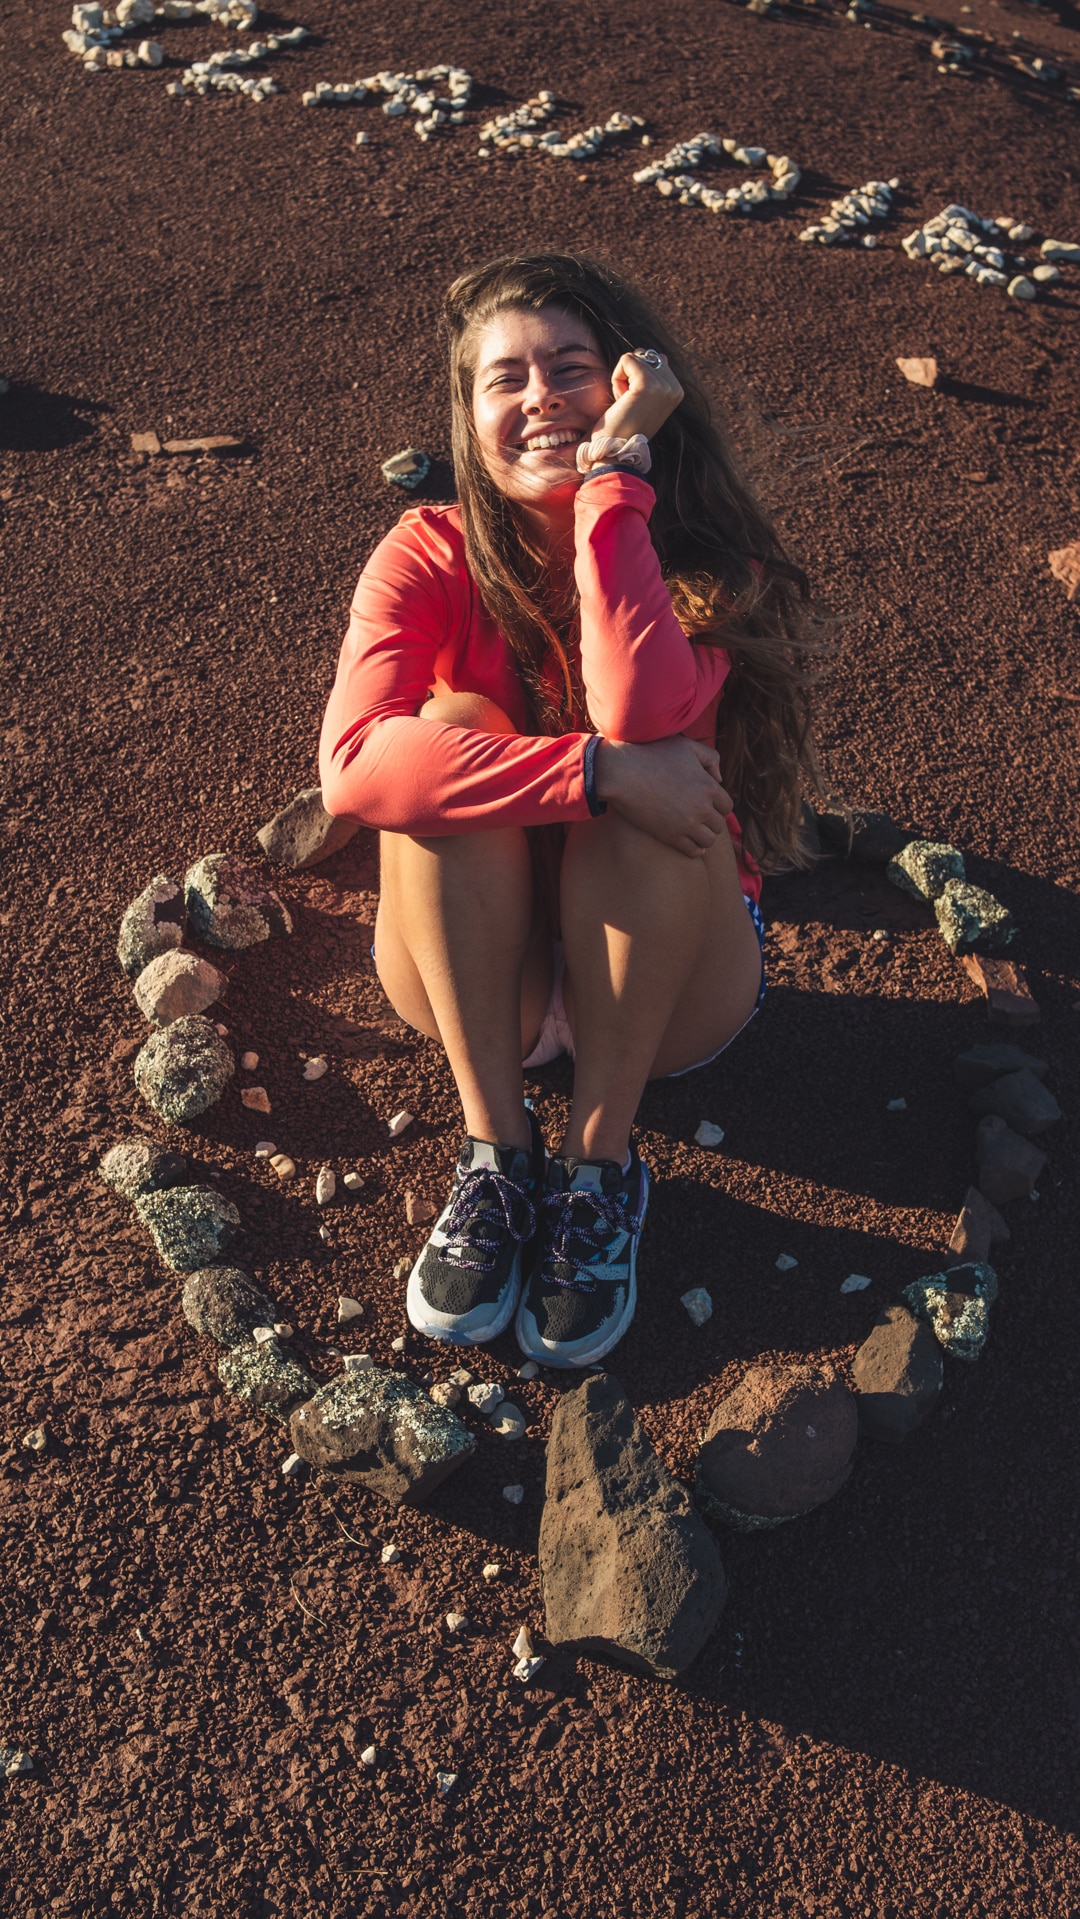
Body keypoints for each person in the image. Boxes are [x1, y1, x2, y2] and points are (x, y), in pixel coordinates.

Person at [319, 251, 824, 1370]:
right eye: (505, 379)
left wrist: (614, 488)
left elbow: (638, 706)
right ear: (469, 414)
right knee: (452, 718)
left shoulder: (699, 562)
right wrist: (582, 773)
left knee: (646, 767)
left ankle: (600, 1169)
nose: (540, 396)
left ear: (627, 390)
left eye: (571, 368)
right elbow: (352, 767)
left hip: (666, 986)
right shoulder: (425, 550)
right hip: (474, 981)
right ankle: (497, 1150)